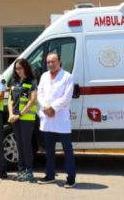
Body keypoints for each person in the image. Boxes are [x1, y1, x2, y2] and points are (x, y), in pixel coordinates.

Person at [37, 52, 76, 188]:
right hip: (47, 118)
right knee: (49, 150)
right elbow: (40, 94)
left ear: (60, 61)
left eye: (53, 61)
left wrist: (53, 108)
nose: (51, 64)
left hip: (60, 117)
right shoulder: (43, 76)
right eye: (48, 62)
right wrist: (46, 108)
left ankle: (71, 178)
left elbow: (66, 98)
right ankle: (50, 175)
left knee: (67, 149)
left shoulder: (67, 77)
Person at [8, 58, 38, 182]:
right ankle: (21, 170)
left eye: (20, 68)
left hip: (26, 118)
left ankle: (29, 171)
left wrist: (19, 115)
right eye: (16, 68)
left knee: (26, 145)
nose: (18, 70)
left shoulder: (32, 81)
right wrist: (11, 114)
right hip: (15, 118)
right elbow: (10, 99)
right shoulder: (14, 81)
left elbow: (32, 101)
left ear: (26, 67)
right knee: (19, 145)